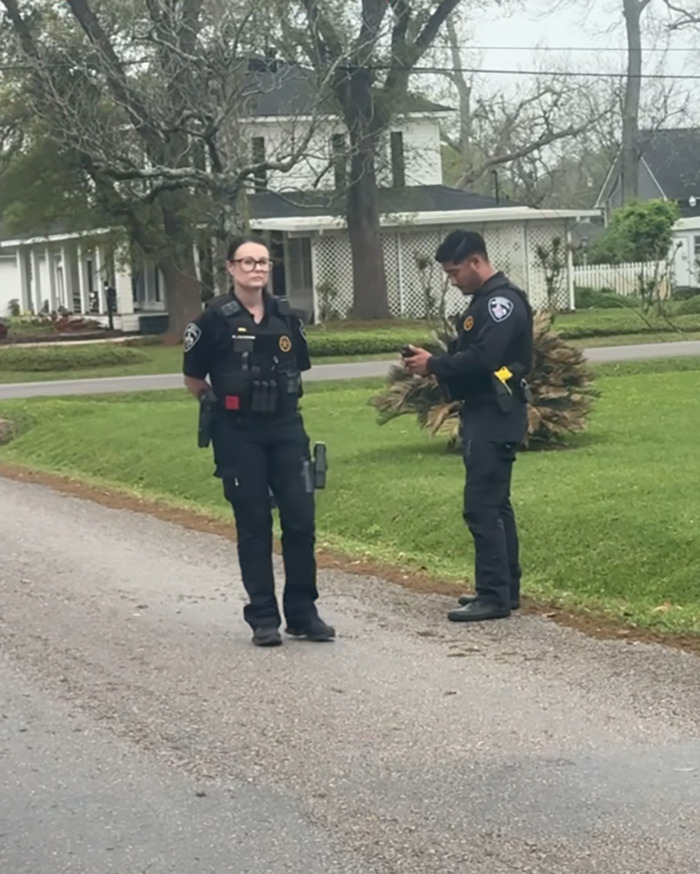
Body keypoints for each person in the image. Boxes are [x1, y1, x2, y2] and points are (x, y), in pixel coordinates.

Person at [182, 235, 335, 647]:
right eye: (247, 262)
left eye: (263, 262)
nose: (256, 269)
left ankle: (303, 614)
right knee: (254, 525)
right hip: (238, 431)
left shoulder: (287, 316)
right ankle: (264, 617)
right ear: (230, 267)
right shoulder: (212, 319)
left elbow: (299, 364)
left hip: (286, 427)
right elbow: (193, 377)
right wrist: (214, 404)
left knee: (301, 522)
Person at [403, 230, 533, 623]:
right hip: (488, 410)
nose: (452, 279)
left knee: (482, 507)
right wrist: (435, 363)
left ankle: (492, 596)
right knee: (496, 505)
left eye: (456, 271)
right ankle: (504, 589)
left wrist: (435, 365)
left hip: (495, 413)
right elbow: (476, 357)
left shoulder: (500, 303)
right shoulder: (485, 301)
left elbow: (486, 358)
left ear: (477, 262)